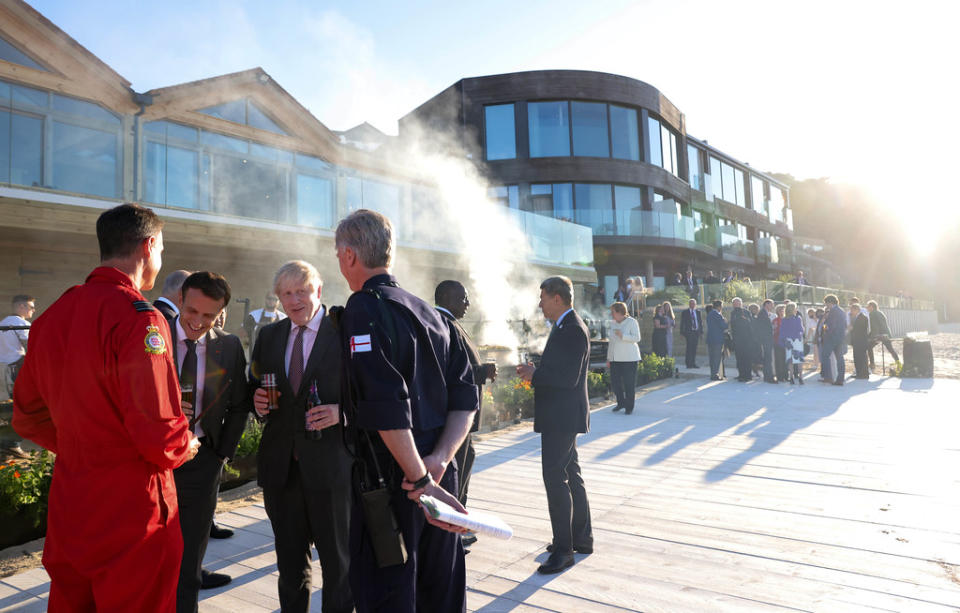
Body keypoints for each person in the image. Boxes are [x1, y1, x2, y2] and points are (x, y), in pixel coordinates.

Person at [13, 203, 199, 612]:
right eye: (162, 249)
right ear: (148, 247)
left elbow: (26, 414)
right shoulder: (140, 319)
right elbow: (159, 435)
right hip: (132, 511)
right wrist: (185, 444)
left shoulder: (51, 316)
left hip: (72, 504)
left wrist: (83, 443)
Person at [336, 209, 477, 612]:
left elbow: (386, 405)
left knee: (390, 594)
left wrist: (418, 480)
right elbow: (465, 400)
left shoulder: (363, 307)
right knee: (441, 592)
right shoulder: (432, 314)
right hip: (438, 476)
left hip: (394, 483)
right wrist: (438, 462)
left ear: (349, 256)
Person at [249, 260, 353, 613]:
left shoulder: (342, 332)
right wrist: (256, 400)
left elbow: (370, 393)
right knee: (290, 565)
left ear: (319, 291)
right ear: (278, 297)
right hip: (282, 470)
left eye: (302, 291)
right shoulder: (269, 336)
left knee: (339, 565)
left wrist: (342, 413)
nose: (294, 300)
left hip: (332, 469)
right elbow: (256, 385)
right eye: (287, 293)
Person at [169, 272, 251, 611]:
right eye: (192, 311)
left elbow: (239, 402)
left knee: (191, 556)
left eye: (208, 315)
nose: (197, 322)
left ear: (221, 313)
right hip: (154, 461)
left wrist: (221, 455)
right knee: (149, 551)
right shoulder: (150, 336)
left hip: (203, 459)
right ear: (180, 301)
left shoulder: (228, 345)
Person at [517, 276, 593, 574]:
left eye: (543, 298)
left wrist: (534, 375)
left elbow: (566, 378)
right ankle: (580, 538)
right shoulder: (565, 325)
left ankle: (564, 551)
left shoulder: (571, 329)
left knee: (556, 478)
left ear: (557, 298)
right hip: (563, 415)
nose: (540, 304)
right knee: (571, 474)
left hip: (561, 417)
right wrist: (537, 370)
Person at [434, 279, 497, 549]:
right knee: (455, 472)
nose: (467, 304)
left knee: (466, 463)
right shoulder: (445, 325)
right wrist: (483, 372)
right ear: (447, 298)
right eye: (463, 299)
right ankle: (451, 532)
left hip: (463, 418)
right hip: (456, 416)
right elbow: (452, 372)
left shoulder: (449, 324)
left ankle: (458, 525)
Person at [606, 301, 641, 414]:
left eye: (613, 312)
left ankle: (629, 407)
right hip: (615, 359)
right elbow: (611, 342)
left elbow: (637, 338)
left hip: (629, 358)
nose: (612, 315)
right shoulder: (612, 323)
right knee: (615, 384)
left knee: (629, 384)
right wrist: (609, 358)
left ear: (620, 312)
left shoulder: (632, 322)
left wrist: (623, 336)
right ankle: (620, 403)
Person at [0, 295, 34, 402]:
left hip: (3, 367)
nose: (33, 310)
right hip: (17, 369)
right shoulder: (21, 323)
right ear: (21, 306)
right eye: (31, 307)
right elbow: (30, 346)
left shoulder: (3, 322)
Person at [242, 292, 286, 358]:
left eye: (275, 299)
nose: (271, 301)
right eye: (269, 298)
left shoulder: (284, 318)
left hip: (276, 353)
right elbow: (243, 332)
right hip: (255, 350)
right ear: (265, 299)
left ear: (279, 301)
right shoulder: (254, 315)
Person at [821, 294, 848, 385]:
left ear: (830, 302)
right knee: (840, 358)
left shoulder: (833, 312)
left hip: (831, 338)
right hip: (840, 338)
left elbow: (829, 326)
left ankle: (828, 377)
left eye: (826, 303)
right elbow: (845, 325)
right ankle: (840, 379)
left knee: (824, 356)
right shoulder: (841, 311)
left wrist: (824, 328)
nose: (826, 305)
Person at [866, 300, 900, 370]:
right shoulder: (880, 312)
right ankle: (898, 363)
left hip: (880, 335)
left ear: (872, 307)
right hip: (886, 334)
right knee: (890, 349)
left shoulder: (872, 314)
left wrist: (872, 337)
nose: (867, 308)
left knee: (869, 347)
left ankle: (872, 364)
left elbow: (875, 327)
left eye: (868, 306)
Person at [729, 298, 754, 382]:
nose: (737, 305)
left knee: (747, 357)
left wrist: (745, 319)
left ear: (741, 304)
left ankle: (748, 375)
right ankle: (741, 374)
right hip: (737, 339)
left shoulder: (746, 312)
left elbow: (751, 324)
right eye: (735, 303)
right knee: (739, 358)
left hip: (747, 339)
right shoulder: (733, 313)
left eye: (738, 303)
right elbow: (732, 325)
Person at [780, 303, 805, 385]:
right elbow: (801, 330)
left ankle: (791, 377)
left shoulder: (783, 320)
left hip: (788, 341)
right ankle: (801, 377)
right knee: (799, 360)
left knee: (790, 360)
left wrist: (783, 341)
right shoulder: (798, 318)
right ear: (793, 309)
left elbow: (782, 331)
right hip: (797, 340)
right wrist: (799, 335)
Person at [753, 300, 776, 383]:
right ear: (767, 304)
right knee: (767, 359)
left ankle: (768, 376)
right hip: (765, 340)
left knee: (767, 359)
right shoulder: (762, 313)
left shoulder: (764, 313)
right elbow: (762, 329)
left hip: (766, 340)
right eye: (771, 305)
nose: (772, 306)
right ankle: (769, 377)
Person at [706, 299, 727, 381]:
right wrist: (725, 322)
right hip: (717, 339)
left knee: (712, 358)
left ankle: (712, 373)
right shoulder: (718, 315)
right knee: (717, 357)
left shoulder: (709, 314)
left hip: (710, 338)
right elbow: (723, 326)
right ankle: (715, 374)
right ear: (719, 306)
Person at [679, 298, 702, 369]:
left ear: (695, 305)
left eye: (694, 304)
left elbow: (700, 322)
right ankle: (688, 363)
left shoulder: (698, 312)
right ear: (689, 304)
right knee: (689, 348)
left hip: (696, 332)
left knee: (694, 348)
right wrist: (682, 332)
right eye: (691, 303)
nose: (692, 305)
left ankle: (693, 363)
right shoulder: (685, 312)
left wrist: (701, 332)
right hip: (689, 332)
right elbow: (682, 323)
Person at [850, 303, 871, 379]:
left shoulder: (862, 317)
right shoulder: (857, 317)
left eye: (852, 310)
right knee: (857, 358)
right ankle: (859, 373)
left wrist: (852, 328)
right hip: (857, 341)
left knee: (861, 358)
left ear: (856, 310)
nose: (851, 312)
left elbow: (860, 330)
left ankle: (863, 374)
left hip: (860, 341)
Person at [773, 304, 788, 383]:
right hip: (778, 342)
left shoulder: (787, 319)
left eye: (783, 310)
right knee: (779, 360)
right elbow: (774, 331)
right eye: (780, 310)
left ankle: (786, 375)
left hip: (786, 343)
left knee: (786, 360)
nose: (782, 312)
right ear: (777, 312)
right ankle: (780, 376)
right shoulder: (775, 320)